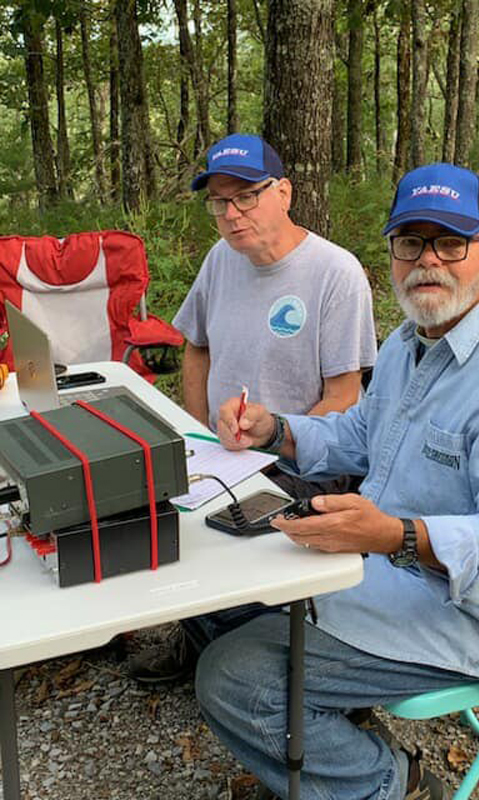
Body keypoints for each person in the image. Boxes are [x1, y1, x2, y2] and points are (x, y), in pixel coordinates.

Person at [193, 162, 479, 799]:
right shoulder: (416, 340)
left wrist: (396, 536)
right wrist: (276, 430)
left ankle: (392, 782)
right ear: (391, 254)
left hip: (466, 616)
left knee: (232, 678)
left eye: (450, 243)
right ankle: (325, 724)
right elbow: (359, 435)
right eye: (410, 243)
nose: (427, 261)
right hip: (381, 563)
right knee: (215, 589)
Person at [129, 133, 377, 684]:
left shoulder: (336, 273)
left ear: (284, 192)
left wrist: (275, 444)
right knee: (156, 505)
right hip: (221, 451)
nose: (232, 214)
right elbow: (196, 345)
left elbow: (345, 398)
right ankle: (201, 637)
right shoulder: (222, 260)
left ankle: (255, 660)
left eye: (247, 196)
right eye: (219, 202)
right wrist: (196, 431)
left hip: (302, 464)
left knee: (219, 534)